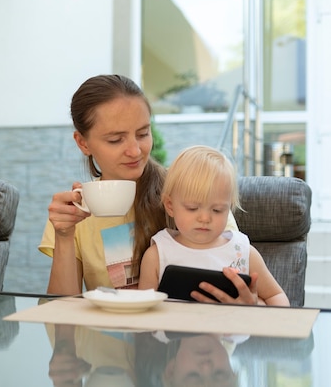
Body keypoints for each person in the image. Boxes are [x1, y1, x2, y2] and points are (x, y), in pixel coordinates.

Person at [39, 74, 169, 296]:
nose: (135, 151)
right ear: (83, 143)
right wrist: (64, 236)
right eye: (115, 140)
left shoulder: (186, 189)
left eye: (143, 133)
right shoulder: (75, 211)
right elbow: (62, 310)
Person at [138, 145, 289, 306]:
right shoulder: (158, 254)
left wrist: (255, 308)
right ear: (170, 206)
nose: (205, 218)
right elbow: (141, 312)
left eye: (217, 210)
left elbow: (277, 297)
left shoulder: (243, 251)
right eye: (192, 208)